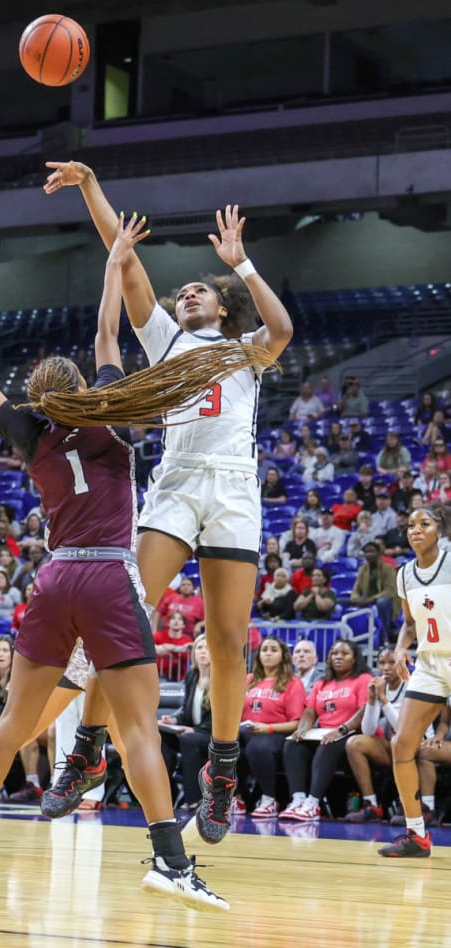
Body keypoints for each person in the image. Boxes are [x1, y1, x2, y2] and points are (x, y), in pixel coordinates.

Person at [0, 211, 264, 906]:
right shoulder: (107, 413)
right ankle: (163, 851)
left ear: (34, 398)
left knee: (17, 722)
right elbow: (108, 331)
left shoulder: (28, 433)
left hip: (52, 578)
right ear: (80, 389)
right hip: (108, 572)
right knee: (139, 725)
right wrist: (114, 263)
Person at [43, 163, 292, 849]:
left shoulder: (246, 349)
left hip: (235, 486)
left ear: (221, 308)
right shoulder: (164, 338)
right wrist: (94, 186)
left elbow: (283, 328)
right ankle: (88, 749)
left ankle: (220, 775)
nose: (187, 294)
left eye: (200, 291)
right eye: (182, 291)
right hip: (179, 479)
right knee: (117, 616)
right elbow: (122, 262)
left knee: (228, 641)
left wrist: (240, 266)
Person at [378, 504, 451, 858]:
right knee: (402, 745)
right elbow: (409, 623)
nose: (415, 530)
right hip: (431, 663)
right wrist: (401, 648)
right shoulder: (405, 573)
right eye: (410, 525)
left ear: (441, 530)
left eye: (425, 524)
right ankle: (416, 835)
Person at [280, 640, 372, 822]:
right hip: (323, 733)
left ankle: (313, 804)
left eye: (344, 654)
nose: (338, 657)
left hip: (352, 733)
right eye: (334, 653)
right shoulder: (322, 682)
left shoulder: (363, 679)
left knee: (328, 745)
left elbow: (365, 710)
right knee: (293, 744)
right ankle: (298, 800)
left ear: (354, 659)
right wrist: (302, 730)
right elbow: (309, 711)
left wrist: (342, 729)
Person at [344, 646, 428, 823]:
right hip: (395, 747)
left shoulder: (413, 685)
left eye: (392, 662)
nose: (386, 667)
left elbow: (404, 730)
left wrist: (383, 699)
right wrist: (373, 699)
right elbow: (368, 730)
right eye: (381, 663)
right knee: (355, 743)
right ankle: (371, 804)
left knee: (400, 741)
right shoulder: (380, 686)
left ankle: (409, 805)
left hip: (420, 745)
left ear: (403, 663)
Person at [236, 637, 306, 818]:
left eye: (273, 650)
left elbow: (296, 722)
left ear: (283, 656)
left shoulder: (292, 682)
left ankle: (269, 799)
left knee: (256, 747)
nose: (267, 653)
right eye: (264, 649)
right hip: (247, 731)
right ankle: (236, 797)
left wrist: (268, 728)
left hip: (277, 734)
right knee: (226, 746)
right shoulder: (248, 679)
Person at [158, 635, 212, 811]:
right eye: (199, 648)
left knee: (188, 739)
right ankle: (166, 795)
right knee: (162, 735)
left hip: (212, 735)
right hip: (193, 731)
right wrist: (173, 719)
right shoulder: (192, 675)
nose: (203, 652)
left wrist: (194, 729)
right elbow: (185, 709)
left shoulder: (220, 679)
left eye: (208, 648)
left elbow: (220, 717)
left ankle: (193, 799)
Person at [349, 542, 401, 643]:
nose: (369, 554)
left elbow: (390, 591)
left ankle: (386, 635)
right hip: (368, 600)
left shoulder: (388, 569)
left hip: (386, 601)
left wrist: (371, 599)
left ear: (378, 553)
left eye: (372, 551)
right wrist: (355, 598)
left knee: (382, 602)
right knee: (341, 601)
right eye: (366, 552)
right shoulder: (362, 569)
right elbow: (356, 589)